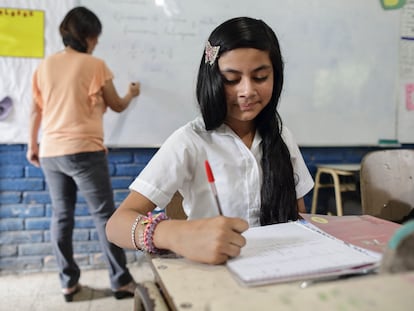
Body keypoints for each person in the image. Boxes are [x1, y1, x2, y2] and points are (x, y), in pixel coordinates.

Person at [106, 17, 314, 265]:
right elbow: (117, 225)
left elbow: (299, 218)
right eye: (231, 79)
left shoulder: (281, 136)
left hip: (282, 269)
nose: (247, 91)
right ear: (213, 78)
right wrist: (174, 234)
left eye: (260, 77)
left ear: (275, 77)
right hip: (216, 277)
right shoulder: (190, 141)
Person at [26, 6, 140, 302]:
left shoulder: (45, 66)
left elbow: (35, 110)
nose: (97, 42)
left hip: (51, 152)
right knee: (105, 216)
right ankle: (121, 282)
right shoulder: (95, 65)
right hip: (84, 151)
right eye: (96, 36)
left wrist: (32, 145)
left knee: (61, 217)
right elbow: (116, 104)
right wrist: (132, 93)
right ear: (88, 36)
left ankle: (67, 283)